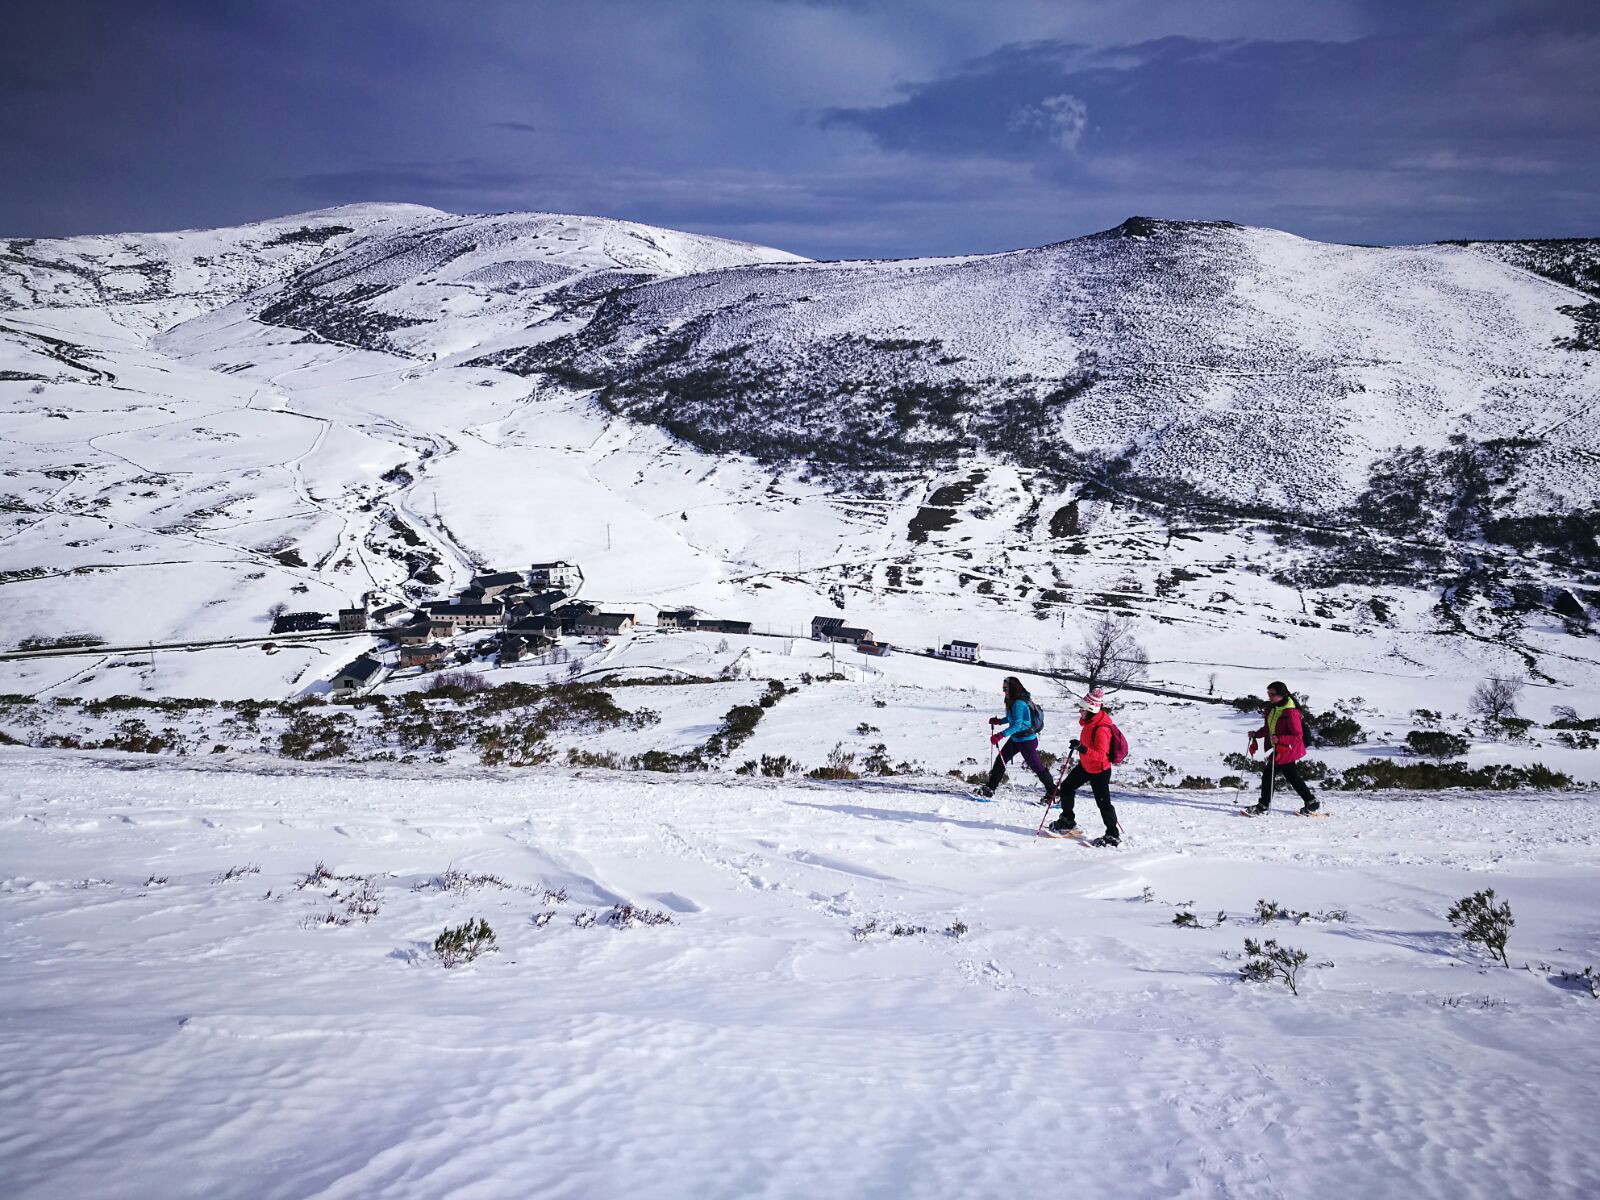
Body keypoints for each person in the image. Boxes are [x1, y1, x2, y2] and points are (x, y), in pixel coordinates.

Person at [1048, 687, 1121, 846]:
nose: (1079, 712)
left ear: (1090, 709)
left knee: (1103, 803)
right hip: (1086, 765)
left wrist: (1082, 748)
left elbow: (1101, 755)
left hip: (1099, 770)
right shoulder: (1090, 722)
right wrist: (1081, 746)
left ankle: (1113, 835)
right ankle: (1067, 821)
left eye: (1082, 710)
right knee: (1066, 787)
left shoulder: (1101, 728)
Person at [1245, 680, 1320, 816]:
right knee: (1292, 775)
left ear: (1281, 695)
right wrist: (1256, 734)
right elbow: (1269, 729)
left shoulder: (1290, 712)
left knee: (1269, 774)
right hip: (1281, 747)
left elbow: (1297, 736)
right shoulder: (1272, 708)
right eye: (1268, 693)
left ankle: (1262, 806)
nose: (1269, 697)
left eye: (1272, 694)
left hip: (1288, 748)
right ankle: (1311, 802)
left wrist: (1280, 739)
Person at [975, 676, 1055, 802]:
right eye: (1003, 688)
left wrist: (1000, 735)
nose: (1004, 691)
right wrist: (999, 721)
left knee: (1037, 767)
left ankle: (1054, 792)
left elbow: (1017, 725)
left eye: (1005, 688)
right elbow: (1013, 718)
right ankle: (990, 788)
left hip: (1027, 740)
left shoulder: (1018, 702)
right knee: (1000, 760)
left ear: (1013, 688)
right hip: (1016, 738)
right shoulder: (1011, 699)